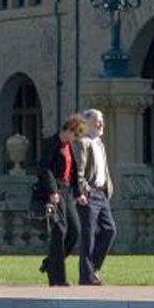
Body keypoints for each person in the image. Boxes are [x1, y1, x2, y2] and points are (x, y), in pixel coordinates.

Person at [34, 115, 89, 287]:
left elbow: (73, 171)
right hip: (55, 190)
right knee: (60, 232)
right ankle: (58, 278)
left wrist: (79, 193)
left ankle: (51, 263)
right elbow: (44, 169)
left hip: (67, 191)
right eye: (75, 135)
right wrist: (52, 191)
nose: (76, 139)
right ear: (69, 130)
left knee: (75, 231)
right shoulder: (51, 144)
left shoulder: (69, 146)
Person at [78, 108, 116, 283]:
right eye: (97, 121)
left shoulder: (100, 144)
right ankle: (86, 276)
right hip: (89, 193)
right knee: (88, 236)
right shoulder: (83, 143)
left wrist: (108, 189)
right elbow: (78, 172)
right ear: (87, 124)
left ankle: (92, 268)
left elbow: (104, 170)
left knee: (109, 230)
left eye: (101, 120)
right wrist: (82, 191)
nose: (101, 124)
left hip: (101, 194)